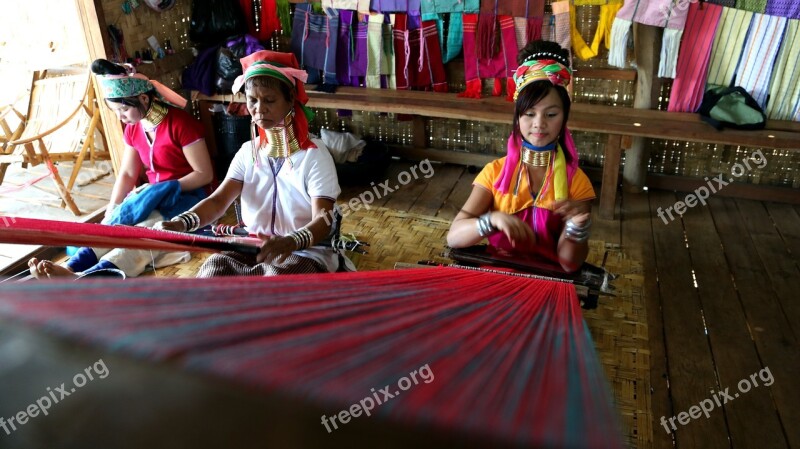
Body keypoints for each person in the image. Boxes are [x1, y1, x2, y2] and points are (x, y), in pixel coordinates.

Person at [156, 50, 348, 277]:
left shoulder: (314, 156)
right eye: (252, 100)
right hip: (252, 245)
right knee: (212, 271)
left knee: (273, 282)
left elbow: (323, 220)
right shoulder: (248, 153)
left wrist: (290, 242)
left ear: (290, 100)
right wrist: (180, 223)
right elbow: (219, 200)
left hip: (305, 251)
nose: (259, 108)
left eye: (269, 100)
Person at [28, 59, 213, 279]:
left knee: (145, 233)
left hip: (188, 197)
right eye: (115, 110)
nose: (120, 116)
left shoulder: (181, 125)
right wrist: (113, 209)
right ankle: (70, 268)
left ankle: (87, 278)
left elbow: (204, 174)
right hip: (152, 198)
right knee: (116, 225)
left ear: (143, 99)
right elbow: (126, 174)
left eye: (124, 108)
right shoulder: (134, 130)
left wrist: (163, 188)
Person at [446, 40, 595, 273]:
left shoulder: (576, 182)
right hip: (495, 273)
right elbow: (454, 238)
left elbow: (569, 264)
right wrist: (492, 220)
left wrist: (576, 229)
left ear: (564, 118)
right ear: (517, 118)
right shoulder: (494, 173)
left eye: (551, 114)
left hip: (549, 281)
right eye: (529, 113)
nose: (539, 124)